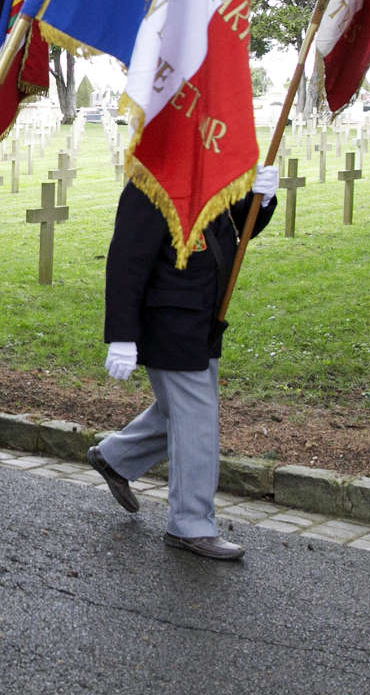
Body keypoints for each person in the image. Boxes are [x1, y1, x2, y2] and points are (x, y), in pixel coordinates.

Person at [87, 169, 277, 561]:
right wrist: (122, 336)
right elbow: (126, 259)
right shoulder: (150, 183)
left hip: (202, 319)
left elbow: (238, 231)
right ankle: (191, 523)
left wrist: (263, 198)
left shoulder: (212, 173)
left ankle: (116, 457)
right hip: (167, 322)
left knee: (183, 412)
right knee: (197, 420)